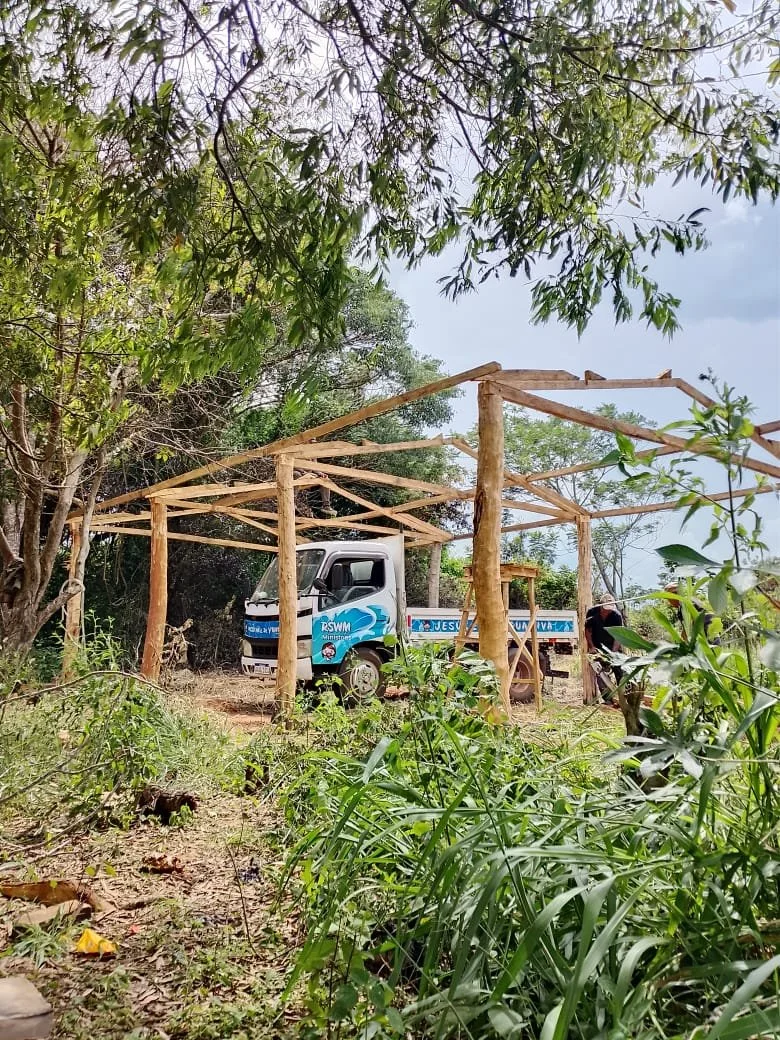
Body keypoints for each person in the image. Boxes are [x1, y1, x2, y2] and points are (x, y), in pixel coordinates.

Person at [585, 594, 624, 702]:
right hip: (598, 646)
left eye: (611, 608)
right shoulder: (592, 612)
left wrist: (614, 652)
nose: (608, 611)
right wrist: (591, 646)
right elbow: (587, 631)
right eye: (606, 608)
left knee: (620, 670)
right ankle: (608, 699)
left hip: (613, 646)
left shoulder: (616, 616)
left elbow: (619, 636)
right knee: (600, 672)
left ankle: (624, 696)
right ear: (601, 605)